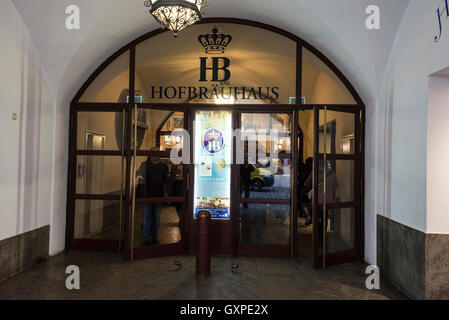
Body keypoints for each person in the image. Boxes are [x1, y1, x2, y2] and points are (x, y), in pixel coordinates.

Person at [136, 149, 169, 246]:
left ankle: (154, 238)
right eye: (152, 153)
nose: (153, 155)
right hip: (146, 196)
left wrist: (166, 191)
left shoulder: (163, 166)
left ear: (159, 155)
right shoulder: (144, 165)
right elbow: (138, 175)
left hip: (158, 196)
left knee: (156, 218)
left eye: (155, 153)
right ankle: (147, 239)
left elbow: (167, 180)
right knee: (147, 218)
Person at [299, 157, 313, 225]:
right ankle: (311, 218)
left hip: (304, 187)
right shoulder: (315, 169)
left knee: (303, 203)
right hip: (313, 189)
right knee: (311, 204)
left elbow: (304, 181)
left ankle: (307, 218)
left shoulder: (304, 168)